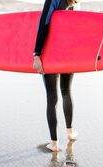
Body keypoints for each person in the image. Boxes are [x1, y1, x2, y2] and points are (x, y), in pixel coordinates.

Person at [33, 0, 79, 152]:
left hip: (51, 54)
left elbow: (44, 25)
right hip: (69, 55)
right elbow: (77, 30)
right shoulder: (75, 2)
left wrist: (36, 54)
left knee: (52, 98)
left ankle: (54, 143)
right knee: (66, 91)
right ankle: (70, 132)